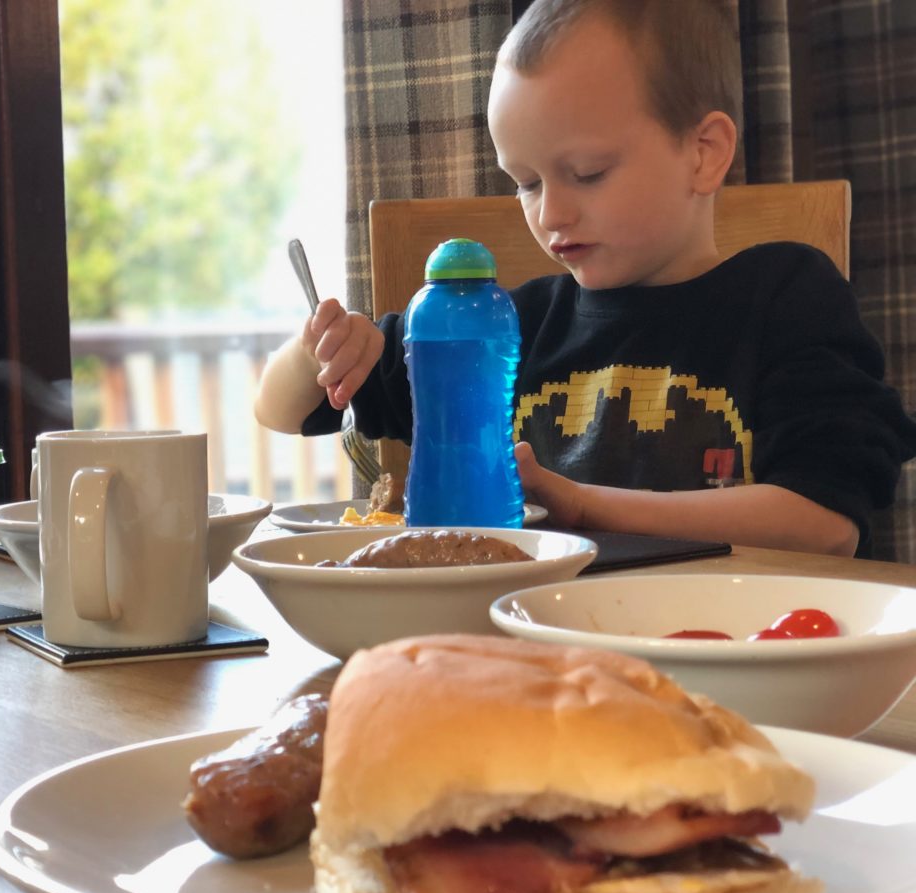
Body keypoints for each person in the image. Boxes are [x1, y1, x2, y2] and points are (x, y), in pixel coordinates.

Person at [253, 0, 916, 557]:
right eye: (527, 183)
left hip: (738, 654)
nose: (553, 212)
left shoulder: (786, 296)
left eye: (589, 173)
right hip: (543, 667)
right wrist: (327, 347)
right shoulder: (505, 328)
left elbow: (824, 523)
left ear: (703, 153)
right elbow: (283, 410)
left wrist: (582, 507)